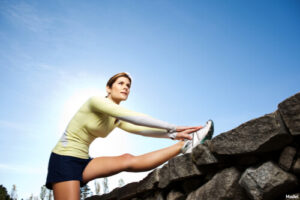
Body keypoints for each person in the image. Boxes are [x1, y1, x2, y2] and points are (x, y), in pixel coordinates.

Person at [45, 72, 214, 200]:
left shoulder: (115, 117)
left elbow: (140, 129)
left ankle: (186, 144)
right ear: (108, 88)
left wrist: (175, 135)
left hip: (83, 160)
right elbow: (134, 117)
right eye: (121, 83)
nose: (126, 87)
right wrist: (173, 127)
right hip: (64, 159)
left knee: (127, 159)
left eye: (128, 85)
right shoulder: (95, 102)